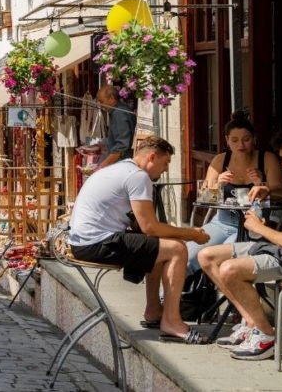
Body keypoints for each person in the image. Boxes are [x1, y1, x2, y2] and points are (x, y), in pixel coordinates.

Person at [198, 125, 282, 360]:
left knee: (230, 269)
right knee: (207, 256)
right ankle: (252, 322)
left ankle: (267, 336)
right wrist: (269, 189)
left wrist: (258, 228)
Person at [69, 136, 210, 343]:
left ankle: (154, 311)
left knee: (158, 246)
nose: (164, 171)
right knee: (177, 249)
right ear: (152, 157)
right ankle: (171, 321)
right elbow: (150, 227)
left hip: (83, 241)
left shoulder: (120, 169)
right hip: (97, 243)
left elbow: (146, 229)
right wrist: (192, 234)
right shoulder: (138, 177)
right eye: (165, 164)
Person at [186, 112, 282, 272]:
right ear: (226, 140)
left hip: (254, 225)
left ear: (254, 139)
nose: (241, 145)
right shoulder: (220, 160)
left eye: (246, 139)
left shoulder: (267, 159)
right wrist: (218, 185)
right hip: (223, 222)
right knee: (187, 256)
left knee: (224, 259)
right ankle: (172, 296)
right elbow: (204, 199)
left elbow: (281, 196)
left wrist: (262, 184)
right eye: (234, 140)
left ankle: (223, 295)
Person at [95, 84, 137, 170]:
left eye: (102, 102)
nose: (101, 105)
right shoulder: (116, 112)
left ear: (111, 98)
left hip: (123, 164)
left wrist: (102, 166)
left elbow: (122, 146)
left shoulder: (119, 113)